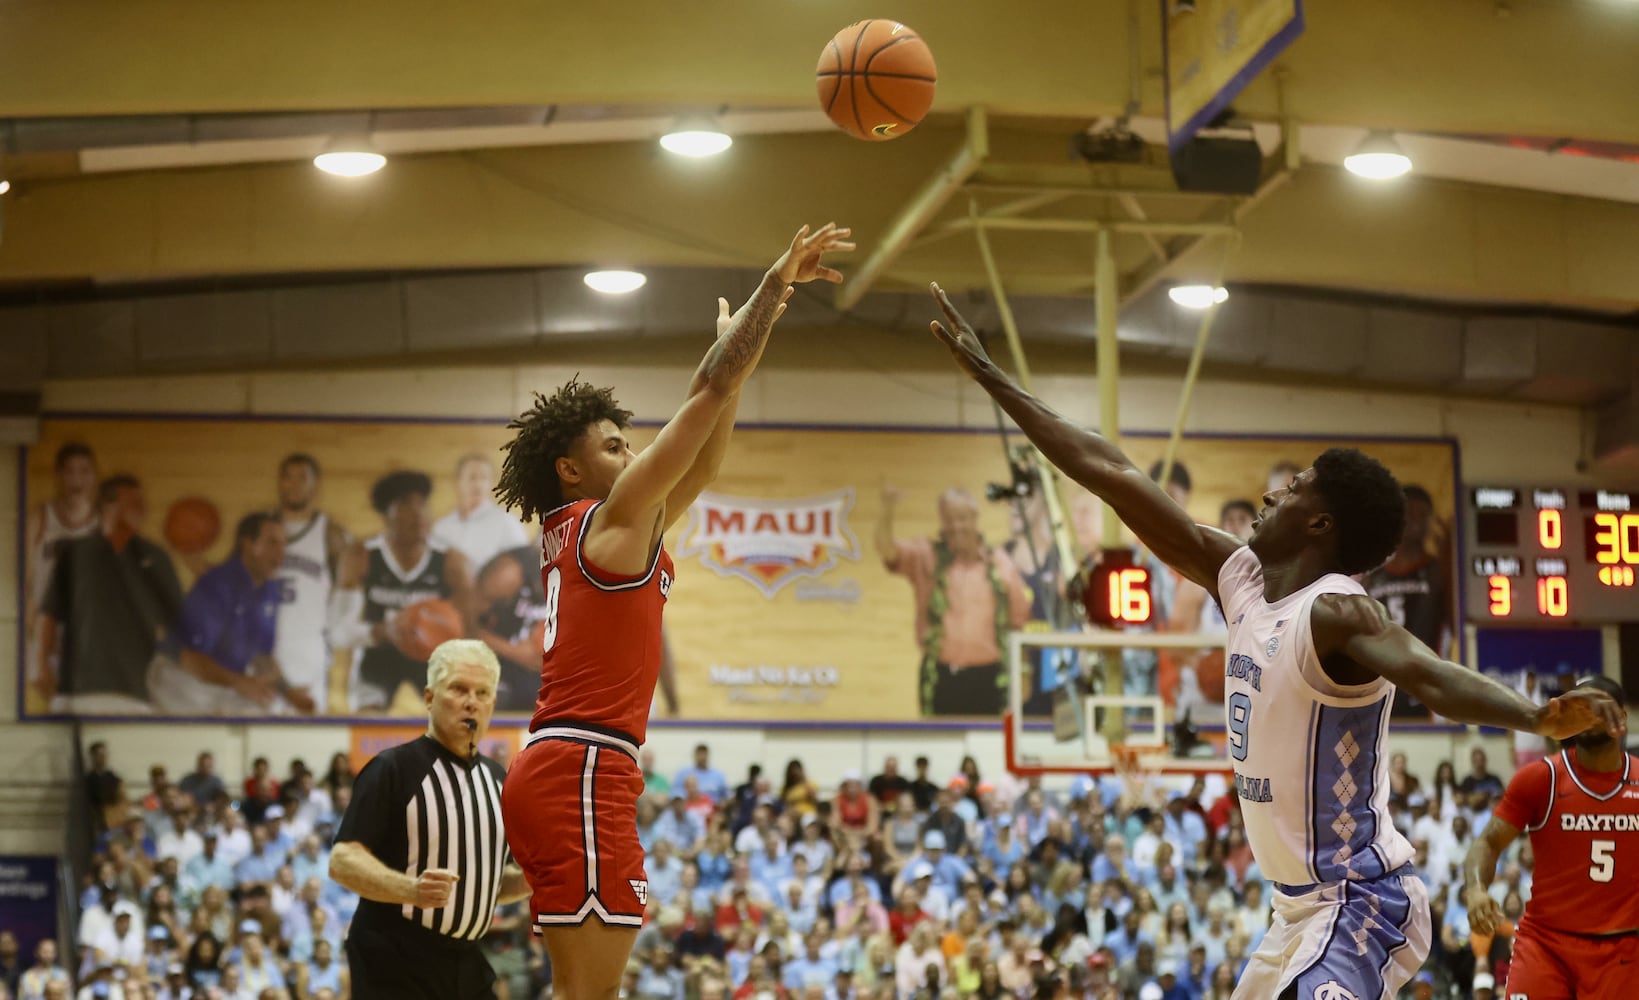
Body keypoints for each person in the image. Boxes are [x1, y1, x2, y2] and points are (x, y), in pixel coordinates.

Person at [923, 282, 1624, 1000]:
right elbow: (1111, 473)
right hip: (1293, 911)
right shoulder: (1242, 581)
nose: (1269, 495)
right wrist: (996, 383)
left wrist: (1534, 717)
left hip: (1362, 902)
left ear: (1320, 525)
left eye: (1292, 488)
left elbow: (1431, 674)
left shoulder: (1337, 613)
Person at [496, 222, 851, 1000]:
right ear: (570, 468)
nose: (631, 454)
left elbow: (707, 452)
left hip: (571, 764)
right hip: (582, 766)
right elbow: (707, 392)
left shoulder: (596, 533)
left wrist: (740, 356)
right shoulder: (609, 522)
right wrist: (773, 291)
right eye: (615, 445)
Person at [329, 639, 530, 999]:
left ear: (493, 704)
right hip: (394, 957)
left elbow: (490, 886)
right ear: (429, 697)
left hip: (466, 960)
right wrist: (412, 890)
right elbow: (343, 862)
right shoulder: (393, 768)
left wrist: (538, 878)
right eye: (458, 688)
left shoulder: (501, 781)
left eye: (482, 692)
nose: (471, 701)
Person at [1464, 675, 1638, 1000]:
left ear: (1621, 717)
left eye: (1595, 706)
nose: (1586, 714)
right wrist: (1475, 890)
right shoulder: (1541, 778)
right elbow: (1487, 841)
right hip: (1546, 945)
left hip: (1622, 949)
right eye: (1578, 707)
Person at [875, 484, 1032, 716]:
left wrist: (1024, 674)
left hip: (988, 677)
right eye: (948, 519)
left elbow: (1018, 625)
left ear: (975, 519)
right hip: (940, 677)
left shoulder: (1000, 565)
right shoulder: (925, 556)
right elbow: (887, 550)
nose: (956, 526)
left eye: (962, 518)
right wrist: (887, 509)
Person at [36, 474, 185, 713]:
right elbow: (50, 613)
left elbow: (178, 622)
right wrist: (42, 664)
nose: (142, 510)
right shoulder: (75, 553)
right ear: (107, 506)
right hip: (78, 690)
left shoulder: (155, 557)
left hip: (134, 691)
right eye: (133, 504)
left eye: (142, 503)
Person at [333, 470, 476, 711]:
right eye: (406, 505)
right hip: (378, 656)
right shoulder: (361, 557)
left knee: (454, 716)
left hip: (432, 660)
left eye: (422, 504)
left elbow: (472, 630)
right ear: (386, 515)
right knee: (369, 718)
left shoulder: (452, 563)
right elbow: (338, 633)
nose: (418, 512)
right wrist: (385, 630)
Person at [152, 513, 312, 715]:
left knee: (263, 714)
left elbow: (262, 657)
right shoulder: (216, 585)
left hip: (222, 683)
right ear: (247, 545)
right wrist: (240, 683)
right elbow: (188, 658)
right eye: (272, 542)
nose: (281, 553)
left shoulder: (269, 590)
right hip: (180, 680)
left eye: (283, 544)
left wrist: (289, 693)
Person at [271, 452, 352, 715]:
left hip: (308, 654)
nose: (293, 485)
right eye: (287, 478)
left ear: (315, 486)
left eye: (301, 478)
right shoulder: (260, 529)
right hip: (264, 654)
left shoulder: (331, 533)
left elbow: (348, 594)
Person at [1364, 484, 1453, 717]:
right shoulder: (1373, 576)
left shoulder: (1437, 571)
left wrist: (1450, 557)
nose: (1416, 521)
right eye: (1409, 514)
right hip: (1378, 690)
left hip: (1425, 691)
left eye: (1423, 515)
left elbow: (1455, 627)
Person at [23, 442, 99, 711]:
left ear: (93, 476)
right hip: (45, 623)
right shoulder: (41, 517)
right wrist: (36, 627)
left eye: (84, 470)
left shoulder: (101, 523)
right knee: (43, 686)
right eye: (69, 471)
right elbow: (25, 582)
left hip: (84, 628)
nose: (76, 478)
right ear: (58, 476)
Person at [434, 453, 529, 570]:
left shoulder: (508, 523)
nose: (478, 484)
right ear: (457, 482)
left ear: (491, 483)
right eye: (472, 477)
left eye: (484, 478)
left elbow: (522, 568)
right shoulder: (442, 527)